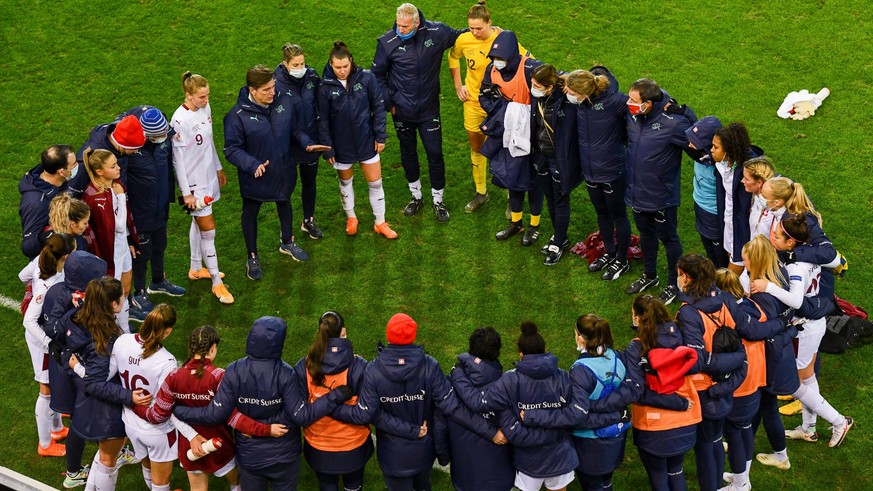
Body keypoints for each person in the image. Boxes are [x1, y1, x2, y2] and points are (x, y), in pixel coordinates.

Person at [173, 316, 351, 490]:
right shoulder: (286, 373)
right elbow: (301, 415)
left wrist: (179, 410)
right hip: (284, 456)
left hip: (250, 456)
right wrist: (335, 395)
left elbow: (215, 414)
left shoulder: (234, 370)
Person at [347, 313, 497, 491]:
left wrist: (332, 406)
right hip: (424, 453)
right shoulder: (429, 365)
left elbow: (368, 414)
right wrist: (491, 432)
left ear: (388, 336)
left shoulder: (373, 370)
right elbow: (453, 407)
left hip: (393, 457)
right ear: (413, 335)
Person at [134, 324, 283, 491]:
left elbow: (157, 415)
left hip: (191, 449)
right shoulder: (219, 376)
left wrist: (134, 405)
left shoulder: (173, 377)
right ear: (213, 348)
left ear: (191, 348)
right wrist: (266, 429)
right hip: (221, 447)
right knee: (238, 483)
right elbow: (234, 418)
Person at [750, 215, 853, 448]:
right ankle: (809, 429)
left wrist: (769, 288)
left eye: (777, 236)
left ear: (791, 243)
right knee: (807, 376)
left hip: (805, 327)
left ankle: (838, 421)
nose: (772, 238)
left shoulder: (796, 265)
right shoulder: (809, 251)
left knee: (796, 383)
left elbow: (796, 300)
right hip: (813, 323)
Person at [225, 64, 330, 277]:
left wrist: (307, 143)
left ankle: (287, 241)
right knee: (251, 211)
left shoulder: (283, 100)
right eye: (266, 90)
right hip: (256, 175)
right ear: (252, 90)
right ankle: (252, 256)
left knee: (285, 202)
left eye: (273, 87)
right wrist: (253, 165)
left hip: (283, 168)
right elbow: (232, 149)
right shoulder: (236, 116)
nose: (273, 92)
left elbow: (294, 130)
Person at [373, 3, 464, 222]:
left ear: (417, 22)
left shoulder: (437, 32)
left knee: (435, 153)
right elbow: (377, 75)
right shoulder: (387, 43)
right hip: (402, 111)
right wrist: (390, 105)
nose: (400, 29)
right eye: (398, 24)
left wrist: (487, 31)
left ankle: (438, 200)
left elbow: (461, 37)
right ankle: (416, 197)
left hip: (429, 110)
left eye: (405, 26)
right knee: (408, 153)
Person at [465, 321, 580, 491]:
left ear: (521, 355)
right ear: (545, 349)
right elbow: (573, 415)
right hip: (560, 456)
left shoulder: (508, 380)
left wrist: (458, 375)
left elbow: (478, 402)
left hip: (529, 460)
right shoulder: (564, 376)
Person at [521, 315, 630, 490]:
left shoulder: (580, 371)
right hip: (617, 437)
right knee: (606, 483)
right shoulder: (618, 356)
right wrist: (615, 416)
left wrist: (535, 416)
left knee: (594, 486)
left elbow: (576, 416)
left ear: (580, 337)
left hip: (592, 445)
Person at [63, 277, 152, 490]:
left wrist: (78, 368)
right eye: (122, 297)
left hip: (88, 405)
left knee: (104, 456)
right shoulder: (103, 339)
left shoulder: (79, 318)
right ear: (113, 305)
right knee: (108, 461)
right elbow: (94, 383)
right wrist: (128, 396)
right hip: (104, 410)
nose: (125, 300)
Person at [674, 254, 748, 491]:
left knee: (706, 445)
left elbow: (696, 361)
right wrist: (737, 358)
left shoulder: (688, 313)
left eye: (678, 274)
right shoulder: (725, 298)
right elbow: (743, 332)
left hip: (705, 390)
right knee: (715, 440)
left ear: (686, 277)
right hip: (725, 384)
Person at [449, 0, 529, 213]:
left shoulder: (503, 40)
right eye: (471, 28)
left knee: (507, 149)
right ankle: (481, 192)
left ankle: (512, 198)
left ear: (490, 23)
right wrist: (459, 85)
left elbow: (528, 60)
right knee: (476, 147)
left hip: (501, 107)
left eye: (479, 28)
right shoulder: (464, 40)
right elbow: (453, 56)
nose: (474, 32)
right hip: (473, 103)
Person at [624, 78, 697, 304]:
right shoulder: (633, 116)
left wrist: (689, 114)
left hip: (661, 196)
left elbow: (699, 143)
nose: (629, 103)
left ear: (648, 102)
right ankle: (650, 275)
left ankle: (673, 284)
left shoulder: (674, 124)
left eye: (634, 100)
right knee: (645, 235)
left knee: (669, 239)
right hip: (637, 192)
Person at [39, 251, 107, 488]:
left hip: (62, 364)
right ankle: (74, 472)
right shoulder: (88, 303)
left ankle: (77, 468)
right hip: (78, 367)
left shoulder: (55, 291)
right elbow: (54, 328)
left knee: (83, 414)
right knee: (85, 415)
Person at [318, 41, 397, 239]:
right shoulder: (325, 87)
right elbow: (322, 120)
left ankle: (380, 222)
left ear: (351, 62)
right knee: (345, 184)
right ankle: (351, 218)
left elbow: (378, 108)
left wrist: (380, 136)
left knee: (376, 183)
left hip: (366, 141)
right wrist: (328, 148)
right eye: (338, 67)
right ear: (331, 64)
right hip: (341, 145)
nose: (342, 71)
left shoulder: (367, 78)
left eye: (345, 66)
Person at [117, 106, 186, 322]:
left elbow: (168, 165)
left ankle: (158, 280)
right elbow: (122, 182)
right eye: (158, 136)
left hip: (160, 204)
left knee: (160, 245)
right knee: (141, 254)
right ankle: (137, 295)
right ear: (145, 135)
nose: (164, 138)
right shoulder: (130, 148)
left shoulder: (162, 134)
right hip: (140, 210)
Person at [170, 71, 232, 304]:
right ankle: (217, 282)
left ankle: (196, 268)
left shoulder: (205, 109)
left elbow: (209, 141)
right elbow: (177, 160)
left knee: (198, 224)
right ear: (188, 96)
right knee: (209, 231)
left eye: (207, 96)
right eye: (201, 97)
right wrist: (186, 193)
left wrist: (217, 167)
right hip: (195, 185)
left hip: (209, 177)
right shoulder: (179, 121)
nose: (206, 101)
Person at [293, 312, 374, 491]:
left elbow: (300, 413)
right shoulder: (359, 366)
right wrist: (333, 402)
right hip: (354, 447)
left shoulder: (303, 366)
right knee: (353, 487)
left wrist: (322, 404)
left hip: (319, 448)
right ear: (343, 331)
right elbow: (365, 414)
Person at [479, 30, 545, 245]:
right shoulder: (491, 70)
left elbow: (552, 84)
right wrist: (506, 111)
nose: (497, 62)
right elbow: (484, 96)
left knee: (534, 182)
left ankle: (535, 225)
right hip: (508, 131)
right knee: (513, 177)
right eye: (495, 58)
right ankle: (516, 223)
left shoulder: (531, 68)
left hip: (533, 134)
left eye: (502, 58)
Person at [714, 268, 778, 491]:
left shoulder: (729, 318)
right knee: (745, 428)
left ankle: (741, 483)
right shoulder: (755, 307)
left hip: (741, 382)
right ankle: (742, 477)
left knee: (734, 432)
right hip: (757, 377)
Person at [739, 235, 798, 472]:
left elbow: (757, 332)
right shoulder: (779, 276)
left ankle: (759, 459)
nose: (744, 267)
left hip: (768, 360)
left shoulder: (762, 295)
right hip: (778, 356)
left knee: (764, 407)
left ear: (758, 261)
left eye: (747, 263)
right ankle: (749, 450)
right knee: (764, 407)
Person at [566, 67, 631, 278]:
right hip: (590, 171)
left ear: (585, 92)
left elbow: (649, 104)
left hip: (612, 171)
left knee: (618, 215)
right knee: (601, 213)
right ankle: (609, 252)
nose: (569, 96)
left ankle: (622, 260)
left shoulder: (616, 102)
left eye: (572, 94)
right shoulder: (582, 102)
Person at [111, 304, 179, 491]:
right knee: (161, 482)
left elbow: (108, 375)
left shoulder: (122, 341)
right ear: (167, 331)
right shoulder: (167, 361)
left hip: (130, 424)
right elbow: (166, 405)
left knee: (147, 467)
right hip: (157, 430)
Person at [20, 233, 76, 457]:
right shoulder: (49, 285)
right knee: (46, 390)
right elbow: (28, 321)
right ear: (64, 256)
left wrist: (34, 283)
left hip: (45, 337)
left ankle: (56, 429)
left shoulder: (39, 261)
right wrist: (48, 342)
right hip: (42, 341)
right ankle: (45, 444)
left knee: (52, 385)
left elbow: (22, 276)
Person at [439, 327, 513, 491]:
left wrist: (443, 457)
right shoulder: (510, 386)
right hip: (500, 473)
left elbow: (440, 426)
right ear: (498, 352)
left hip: (464, 473)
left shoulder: (448, 384)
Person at [81, 148, 138, 332]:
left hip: (121, 247)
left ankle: (124, 329)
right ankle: (111, 331)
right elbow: (118, 225)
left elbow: (125, 221)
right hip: (109, 254)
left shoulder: (114, 184)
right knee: (110, 296)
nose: (118, 168)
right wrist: (121, 196)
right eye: (113, 166)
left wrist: (129, 241)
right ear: (99, 171)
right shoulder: (94, 197)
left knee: (125, 290)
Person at [529, 64, 580, 266]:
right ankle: (560, 235)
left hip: (559, 159)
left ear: (549, 87)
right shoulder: (541, 97)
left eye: (536, 85)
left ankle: (558, 242)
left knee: (560, 200)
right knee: (550, 197)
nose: (532, 88)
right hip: (541, 155)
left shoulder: (567, 102)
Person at [275, 43, 325, 240]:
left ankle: (308, 220)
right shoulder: (276, 84)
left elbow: (320, 105)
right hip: (288, 145)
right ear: (285, 64)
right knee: (286, 189)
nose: (300, 68)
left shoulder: (312, 76)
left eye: (302, 63)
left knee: (309, 183)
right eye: (295, 64)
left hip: (311, 141)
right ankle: (285, 232)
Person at [711, 122, 756, 276]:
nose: (711, 150)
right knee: (731, 256)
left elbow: (746, 208)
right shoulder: (723, 164)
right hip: (729, 223)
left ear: (728, 150)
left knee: (732, 279)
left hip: (741, 229)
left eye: (716, 147)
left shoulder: (748, 171)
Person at [19, 144, 78, 259]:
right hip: (56, 258)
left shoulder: (56, 177)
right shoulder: (36, 204)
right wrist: (49, 235)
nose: (77, 166)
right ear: (61, 172)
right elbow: (28, 248)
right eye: (74, 164)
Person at [685, 116, 729, 268]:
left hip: (714, 215)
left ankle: (722, 285)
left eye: (694, 141)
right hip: (700, 207)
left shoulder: (721, 167)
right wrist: (684, 111)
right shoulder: (699, 154)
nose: (689, 144)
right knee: (708, 250)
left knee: (719, 256)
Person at [73, 114, 146, 195]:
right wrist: (100, 196)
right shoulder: (89, 156)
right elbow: (76, 190)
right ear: (122, 145)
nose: (136, 151)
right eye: (134, 148)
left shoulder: (118, 139)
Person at [741, 157, 776, 239]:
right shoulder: (755, 197)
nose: (742, 181)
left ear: (759, 183)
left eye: (746, 179)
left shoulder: (774, 209)